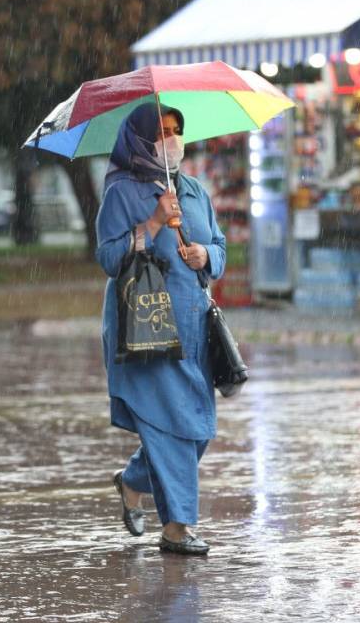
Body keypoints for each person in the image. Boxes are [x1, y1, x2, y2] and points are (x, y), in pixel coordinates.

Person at [96, 102, 227, 556]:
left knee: (198, 427)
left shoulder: (192, 189)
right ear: (138, 140)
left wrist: (206, 255)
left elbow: (221, 246)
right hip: (145, 327)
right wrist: (151, 223)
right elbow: (110, 259)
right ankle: (177, 527)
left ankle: (133, 482)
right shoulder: (121, 192)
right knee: (171, 424)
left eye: (176, 131)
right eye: (160, 133)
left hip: (193, 328)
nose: (171, 140)